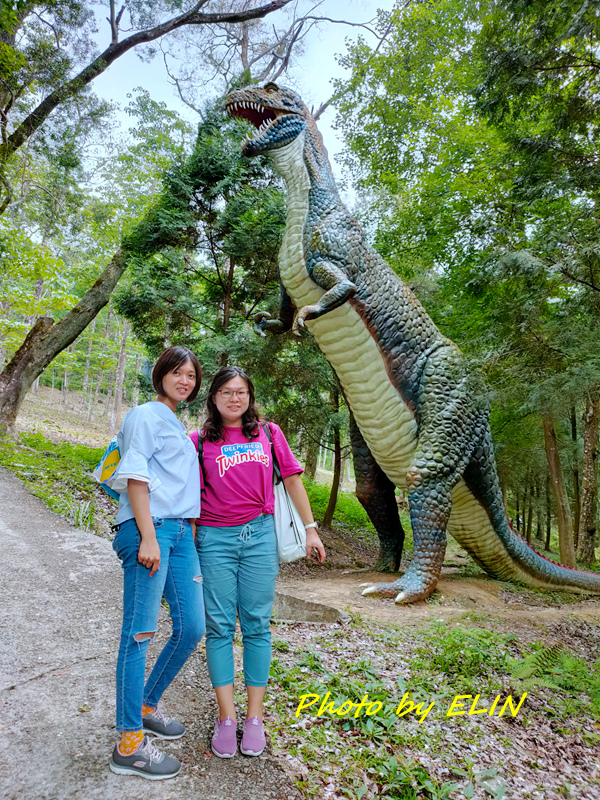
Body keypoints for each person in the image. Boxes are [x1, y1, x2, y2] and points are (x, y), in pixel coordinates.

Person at [191, 365, 326, 759]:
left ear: (250, 397)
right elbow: (188, 496)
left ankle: (254, 718)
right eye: (226, 392)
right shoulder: (199, 441)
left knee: (256, 625)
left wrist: (311, 529)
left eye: (242, 392)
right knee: (218, 627)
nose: (235, 398)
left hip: (260, 537)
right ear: (213, 398)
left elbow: (293, 479)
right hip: (213, 540)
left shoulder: (268, 433)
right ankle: (226, 717)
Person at [107, 346, 205, 780]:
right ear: (160, 374)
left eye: (191, 376)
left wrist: (188, 532)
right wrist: (148, 536)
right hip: (153, 530)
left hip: (181, 533)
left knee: (192, 627)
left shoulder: (175, 423)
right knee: (140, 633)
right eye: (178, 372)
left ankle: (145, 705)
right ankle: (128, 744)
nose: (185, 380)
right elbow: (136, 475)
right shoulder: (145, 415)